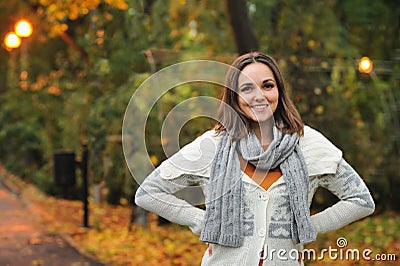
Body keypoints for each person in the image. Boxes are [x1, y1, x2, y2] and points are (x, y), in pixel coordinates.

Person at [134, 51, 375, 265]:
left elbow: (361, 200)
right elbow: (149, 193)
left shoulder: (308, 143)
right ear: (235, 96)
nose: (259, 95)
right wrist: (203, 220)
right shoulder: (213, 145)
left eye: (267, 86)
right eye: (247, 88)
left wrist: (307, 227)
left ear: (279, 91)